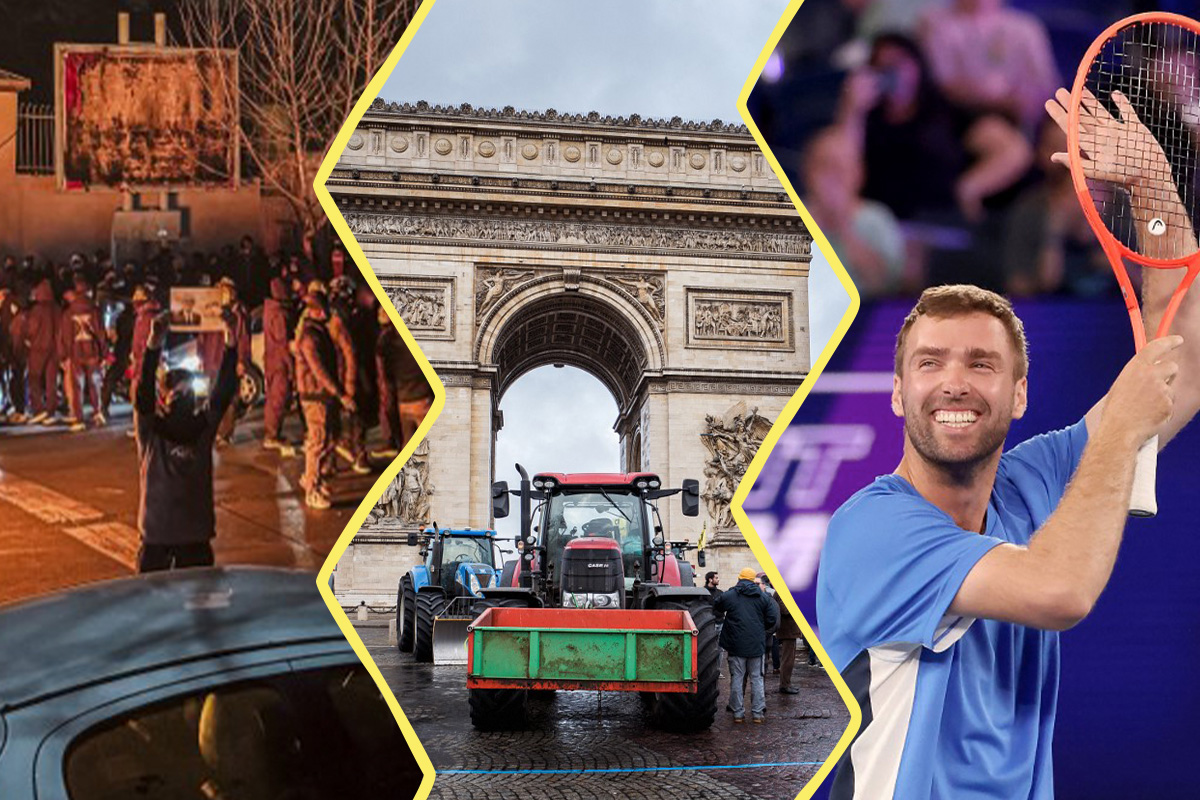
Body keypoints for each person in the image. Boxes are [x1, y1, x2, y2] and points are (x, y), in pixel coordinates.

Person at [818, 286, 1198, 795]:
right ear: (896, 392)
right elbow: (1060, 590)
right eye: (930, 363)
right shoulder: (870, 528)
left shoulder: (1027, 485)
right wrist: (1124, 425)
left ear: (1019, 393)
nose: (954, 384)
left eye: (981, 364)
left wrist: (1155, 212)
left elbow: (1186, 360)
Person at [134, 308, 239, 572]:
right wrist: (154, 341)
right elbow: (144, 391)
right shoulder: (159, 431)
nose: (181, 396)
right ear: (165, 397)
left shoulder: (164, 430)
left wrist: (231, 338)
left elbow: (224, 391)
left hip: (179, 535)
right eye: (176, 391)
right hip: (168, 536)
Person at [295, 286, 354, 509]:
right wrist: (340, 394)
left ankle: (314, 480)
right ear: (314, 311)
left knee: (326, 440)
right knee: (317, 442)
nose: (326, 313)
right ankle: (312, 488)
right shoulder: (310, 338)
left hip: (319, 395)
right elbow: (320, 371)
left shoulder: (316, 332)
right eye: (322, 310)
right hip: (314, 396)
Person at [714, 567, 779, 724]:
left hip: (736, 644)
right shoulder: (762, 597)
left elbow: (717, 606)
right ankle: (757, 714)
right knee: (757, 678)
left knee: (737, 677)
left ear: (739, 578)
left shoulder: (731, 595)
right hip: (756, 644)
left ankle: (738, 713)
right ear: (752, 580)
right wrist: (759, 628)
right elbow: (772, 617)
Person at [60, 275, 108, 430]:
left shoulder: (68, 313)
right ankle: (98, 412)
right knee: (95, 384)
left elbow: (64, 336)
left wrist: (64, 355)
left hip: (75, 354)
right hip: (93, 353)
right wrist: (104, 353)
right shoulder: (94, 311)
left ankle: (78, 419)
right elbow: (101, 334)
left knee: (76, 387)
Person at [262, 277, 296, 452]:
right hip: (279, 361)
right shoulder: (280, 315)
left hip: (271, 358)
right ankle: (272, 434)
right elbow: (283, 344)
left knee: (274, 397)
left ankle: (272, 432)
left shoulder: (270, 311)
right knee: (278, 398)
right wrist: (291, 367)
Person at [774, 587, 802, 695]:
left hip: (789, 631)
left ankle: (786, 683)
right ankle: (785, 685)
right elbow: (784, 610)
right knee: (787, 660)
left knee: (789, 659)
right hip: (788, 631)